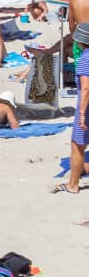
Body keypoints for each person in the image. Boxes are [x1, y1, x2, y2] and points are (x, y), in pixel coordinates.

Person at [58, 47, 89, 195]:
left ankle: (73, 184)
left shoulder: (85, 58)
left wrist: (82, 112)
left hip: (87, 109)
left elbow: (86, 88)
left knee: (78, 146)